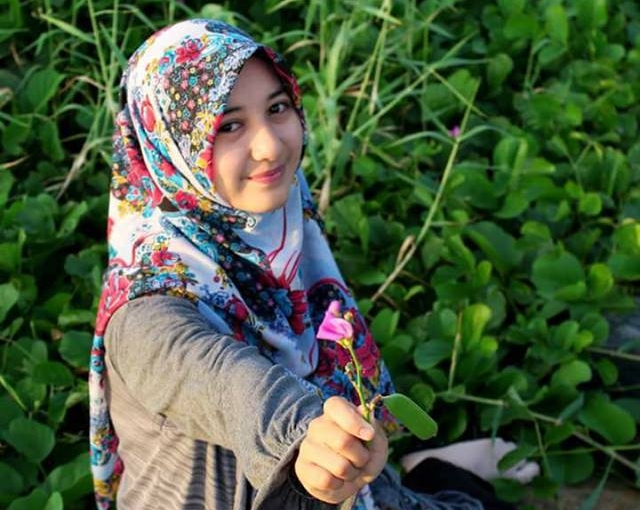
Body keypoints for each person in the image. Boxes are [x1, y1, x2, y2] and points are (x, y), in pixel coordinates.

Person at [89, 19, 534, 510]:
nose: (270, 146)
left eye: (277, 108)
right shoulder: (146, 311)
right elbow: (219, 381)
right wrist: (306, 433)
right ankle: (435, 471)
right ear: (168, 146)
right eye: (229, 126)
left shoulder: (268, 227)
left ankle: (429, 472)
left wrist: (332, 450)